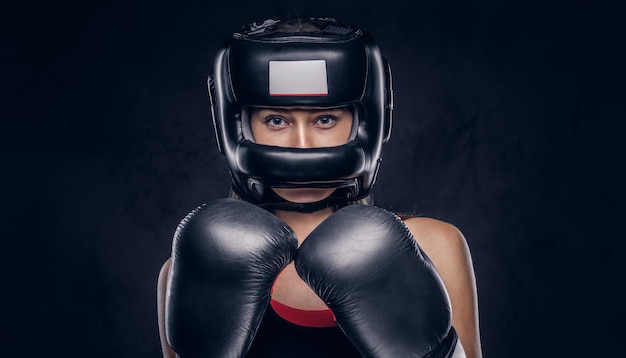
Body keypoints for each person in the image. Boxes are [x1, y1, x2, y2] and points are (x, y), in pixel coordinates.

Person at [157, 16, 482, 358]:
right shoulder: (192, 267)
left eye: (325, 119)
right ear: (239, 126)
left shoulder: (433, 245)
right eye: (276, 120)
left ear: (363, 122)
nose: (302, 145)